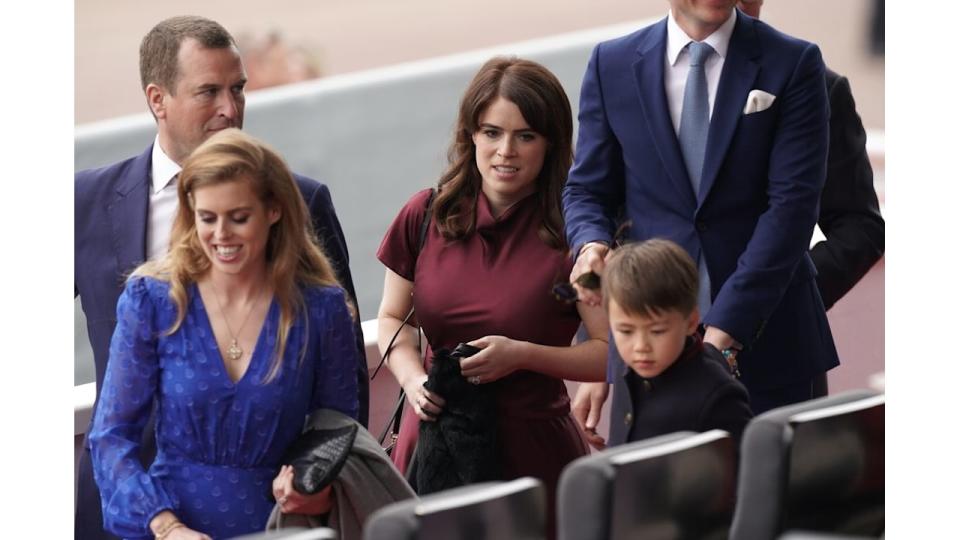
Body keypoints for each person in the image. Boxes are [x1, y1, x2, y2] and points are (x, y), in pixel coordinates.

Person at [74, 16, 367, 540]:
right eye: (209, 91)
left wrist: (315, 480)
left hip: (280, 518)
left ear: (273, 213)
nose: (230, 109)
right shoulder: (87, 204)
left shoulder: (304, 204)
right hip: (129, 512)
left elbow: (340, 404)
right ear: (158, 99)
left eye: (238, 90)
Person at [563, 0, 840, 426]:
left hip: (769, 345)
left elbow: (792, 210)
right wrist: (591, 243)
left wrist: (723, 333)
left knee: (771, 491)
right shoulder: (611, 63)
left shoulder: (794, 62)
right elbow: (587, 189)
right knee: (653, 491)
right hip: (646, 358)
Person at [375, 57, 608, 533]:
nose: (506, 150)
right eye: (492, 132)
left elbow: (608, 353)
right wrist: (413, 380)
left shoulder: (576, 237)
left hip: (534, 451)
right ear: (470, 135)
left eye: (526, 135)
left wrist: (522, 356)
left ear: (551, 144)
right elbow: (393, 319)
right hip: (431, 442)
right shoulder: (425, 214)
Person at [602, 239, 752, 446]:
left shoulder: (718, 394)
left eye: (657, 331)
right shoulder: (625, 361)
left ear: (691, 322)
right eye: (625, 331)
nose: (640, 346)